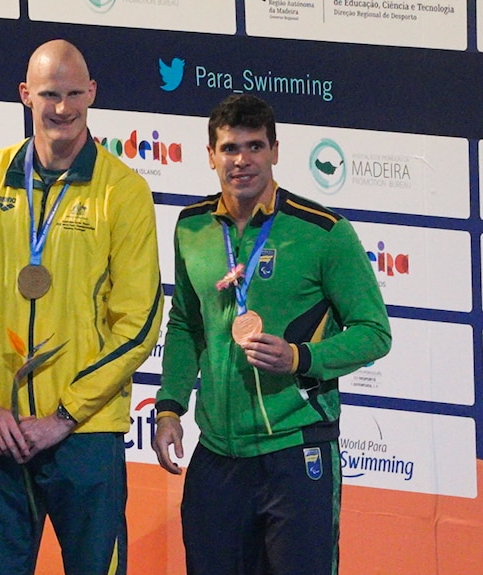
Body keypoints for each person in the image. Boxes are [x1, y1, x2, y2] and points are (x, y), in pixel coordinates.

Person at [0, 39, 163, 575]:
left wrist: (64, 416)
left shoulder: (123, 192)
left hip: (83, 434)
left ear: (93, 93)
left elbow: (138, 324)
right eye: (49, 95)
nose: (62, 109)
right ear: (24, 96)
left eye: (74, 94)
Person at [151, 93, 391, 575]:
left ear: (276, 151)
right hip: (217, 454)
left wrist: (302, 358)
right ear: (211, 155)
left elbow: (374, 333)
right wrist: (170, 405)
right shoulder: (192, 227)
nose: (242, 161)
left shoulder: (324, 232)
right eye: (230, 148)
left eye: (255, 147)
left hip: (296, 448)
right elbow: (185, 324)